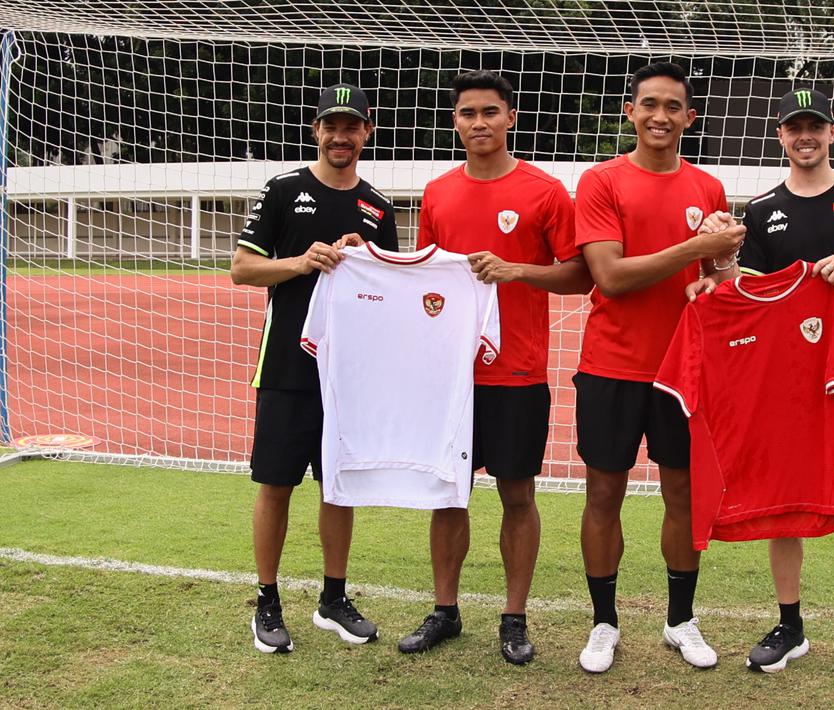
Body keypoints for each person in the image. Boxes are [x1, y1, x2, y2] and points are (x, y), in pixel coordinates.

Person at [692, 88, 834, 680]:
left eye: (815, 127)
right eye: (794, 128)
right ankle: (789, 626)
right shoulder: (764, 208)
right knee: (784, 507)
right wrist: (711, 271)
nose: (805, 137)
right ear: (780, 136)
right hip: (788, 385)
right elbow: (742, 290)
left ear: (832, 132)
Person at [395, 70, 592, 665]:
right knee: (447, 496)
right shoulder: (437, 193)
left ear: (510, 117)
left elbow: (580, 274)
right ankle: (445, 611)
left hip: (517, 374)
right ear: (454, 121)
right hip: (451, 376)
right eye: (466, 113)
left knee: (516, 494)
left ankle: (513, 617)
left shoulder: (546, 191)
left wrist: (516, 269)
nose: (478, 122)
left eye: (489, 112)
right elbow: (426, 274)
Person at [573, 61, 745, 673]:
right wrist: (698, 249)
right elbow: (611, 277)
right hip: (611, 367)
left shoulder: (709, 189)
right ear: (630, 112)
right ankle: (603, 623)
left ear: (689, 117)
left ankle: (680, 620)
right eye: (649, 104)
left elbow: (717, 281)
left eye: (673, 107)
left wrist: (716, 280)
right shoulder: (600, 181)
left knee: (684, 495)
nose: (660, 116)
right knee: (603, 494)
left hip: (684, 372)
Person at [231, 83, 399, 654]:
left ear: (366, 133)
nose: (340, 136)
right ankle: (267, 601)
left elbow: (392, 290)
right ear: (316, 131)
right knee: (275, 485)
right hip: (285, 369)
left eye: (351, 126)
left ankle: (332, 599)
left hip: (349, 377)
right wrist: (303, 261)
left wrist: (365, 255)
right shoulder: (283, 190)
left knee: (339, 487)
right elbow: (241, 270)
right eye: (331, 125)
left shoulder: (378, 207)